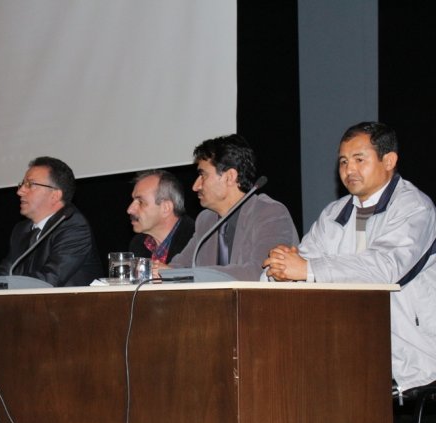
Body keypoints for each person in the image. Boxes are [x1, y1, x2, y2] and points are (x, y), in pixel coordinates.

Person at [262, 121, 436, 393]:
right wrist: (279, 270)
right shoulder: (334, 213)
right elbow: (304, 260)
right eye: (343, 161)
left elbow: (384, 269)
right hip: (344, 343)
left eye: (359, 159)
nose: (349, 169)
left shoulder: (414, 208)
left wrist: (307, 269)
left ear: (388, 160)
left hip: (408, 349)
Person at [163, 134, 299, 280]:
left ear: (229, 177)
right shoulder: (205, 220)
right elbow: (179, 266)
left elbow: (261, 272)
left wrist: (191, 275)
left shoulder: (270, 213)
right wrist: (160, 271)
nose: (195, 186)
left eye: (203, 175)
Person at [0, 156, 103, 286]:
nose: (20, 191)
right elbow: (5, 270)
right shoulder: (21, 229)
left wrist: (5, 285)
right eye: (22, 184)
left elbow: (50, 279)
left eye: (30, 184)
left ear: (55, 195)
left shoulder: (74, 226)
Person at [127, 169, 195, 263]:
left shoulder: (197, 241)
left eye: (141, 202)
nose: (130, 210)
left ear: (166, 208)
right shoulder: (138, 244)